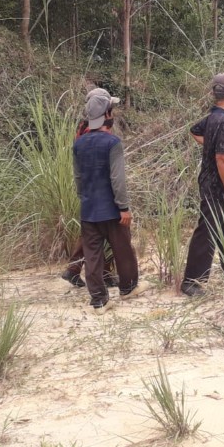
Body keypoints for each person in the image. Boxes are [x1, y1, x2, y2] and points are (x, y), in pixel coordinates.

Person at [72, 88, 149, 313]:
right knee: (123, 248)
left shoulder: (79, 144)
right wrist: (123, 207)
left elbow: (78, 178)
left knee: (92, 254)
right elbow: (118, 179)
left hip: (88, 209)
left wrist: (84, 199)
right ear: (107, 114)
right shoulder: (112, 143)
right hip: (112, 209)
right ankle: (128, 287)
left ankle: (98, 300)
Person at [181, 73, 224, 297]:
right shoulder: (223, 121)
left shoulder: (213, 117)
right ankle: (190, 282)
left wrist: (210, 143)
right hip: (217, 188)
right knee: (206, 231)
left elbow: (194, 131)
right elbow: (222, 158)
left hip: (212, 185)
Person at [60, 117, 117, 289]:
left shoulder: (86, 125)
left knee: (95, 233)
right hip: (98, 186)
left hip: (90, 187)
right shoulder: (93, 128)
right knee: (104, 232)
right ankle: (101, 275)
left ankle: (77, 269)